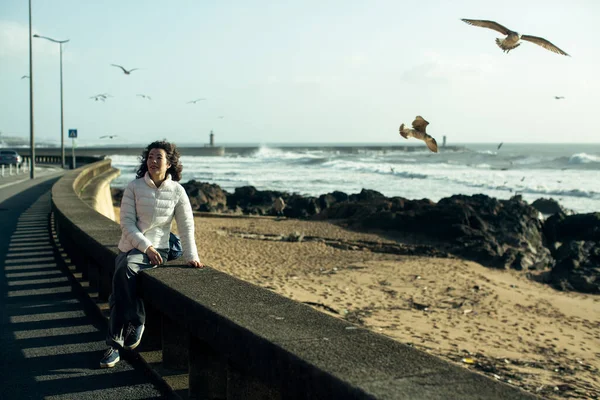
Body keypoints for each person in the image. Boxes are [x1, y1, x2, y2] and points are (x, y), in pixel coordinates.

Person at [100, 140, 204, 368]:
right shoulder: (134, 187)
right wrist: (145, 246)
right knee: (122, 274)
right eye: (150, 157)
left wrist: (191, 256)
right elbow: (126, 223)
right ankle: (135, 321)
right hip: (132, 246)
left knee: (124, 270)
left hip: (160, 248)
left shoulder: (177, 191)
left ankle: (116, 344)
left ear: (169, 164)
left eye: (159, 157)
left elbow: (186, 226)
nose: (153, 161)